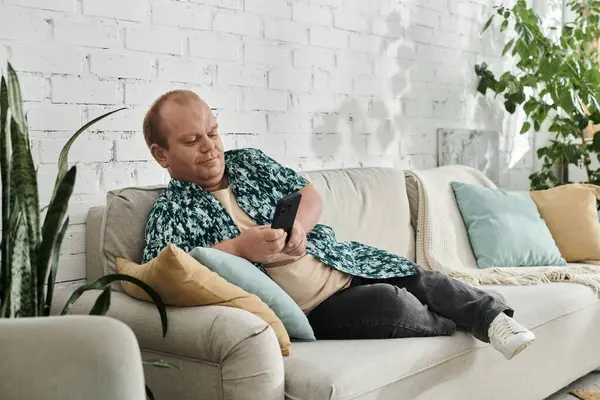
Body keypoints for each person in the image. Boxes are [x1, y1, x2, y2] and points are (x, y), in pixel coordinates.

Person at [141, 90, 535, 360]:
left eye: (213, 132)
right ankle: (457, 321)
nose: (210, 146)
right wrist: (241, 250)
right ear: (162, 154)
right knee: (393, 303)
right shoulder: (170, 213)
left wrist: (300, 228)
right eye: (192, 140)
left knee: (414, 274)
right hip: (314, 309)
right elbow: (165, 275)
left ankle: (492, 320)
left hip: (340, 261)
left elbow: (309, 194)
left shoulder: (250, 162)